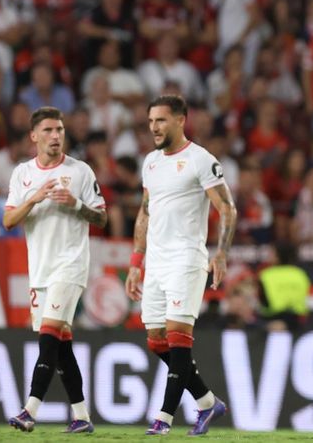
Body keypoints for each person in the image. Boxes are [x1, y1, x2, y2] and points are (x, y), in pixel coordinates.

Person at [124, 95, 235, 435]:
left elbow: (227, 208)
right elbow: (145, 211)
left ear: (180, 120)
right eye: (151, 121)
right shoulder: (151, 163)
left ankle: (164, 418)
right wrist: (135, 262)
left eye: (161, 120)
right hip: (155, 262)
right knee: (157, 341)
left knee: (177, 338)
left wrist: (221, 253)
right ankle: (206, 402)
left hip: (186, 259)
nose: (154, 127)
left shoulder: (201, 160)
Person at [3, 107, 107, 434]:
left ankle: (30, 409)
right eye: (48, 130)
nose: (56, 136)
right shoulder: (22, 174)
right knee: (61, 347)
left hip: (70, 265)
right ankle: (82, 416)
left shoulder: (80, 172)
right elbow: (8, 221)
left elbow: (101, 217)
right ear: (33, 136)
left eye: (60, 130)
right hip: (40, 271)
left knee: (48, 338)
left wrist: (76, 204)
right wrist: (33, 199)